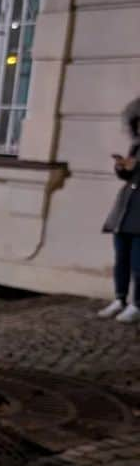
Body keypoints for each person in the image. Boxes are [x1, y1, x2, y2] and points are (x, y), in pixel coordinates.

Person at [98, 96, 140, 323]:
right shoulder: (136, 146)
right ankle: (120, 298)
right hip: (125, 209)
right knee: (121, 258)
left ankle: (137, 304)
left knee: (138, 263)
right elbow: (128, 175)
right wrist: (121, 167)